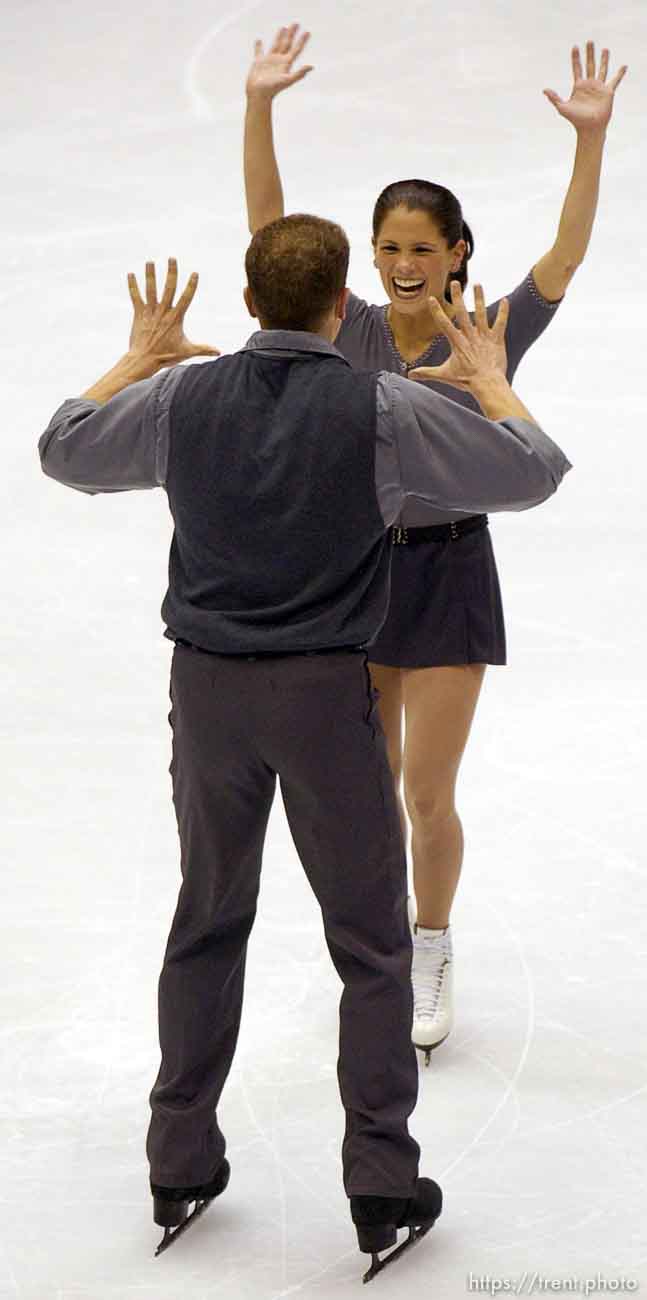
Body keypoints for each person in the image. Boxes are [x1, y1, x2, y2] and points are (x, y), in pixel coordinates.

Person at [37, 223, 570, 1279]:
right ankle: (379, 1183)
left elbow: (63, 447)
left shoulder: (182, 399)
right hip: (327, 699)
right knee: (372, 947)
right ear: (342, 307)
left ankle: (177, 1157)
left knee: (205, 920)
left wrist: (133, 359)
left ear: (247, 296)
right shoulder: (378, 403)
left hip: (210, 695)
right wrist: (493, 382)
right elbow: (532, 471)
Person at [243, 27, 627, 1059]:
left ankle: (428, 944)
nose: (404, 262)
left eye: (423, 246)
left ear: (454, 253)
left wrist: (588, 141)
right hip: (358, 576)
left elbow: (566, 256)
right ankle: (372, 954)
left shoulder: (484, 333)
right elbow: (270, 229)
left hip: (450, 571)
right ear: (368, 258)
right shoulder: (344, 328)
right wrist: (259, 105)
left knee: (424, 791)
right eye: (388, 247)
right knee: (363, 789)